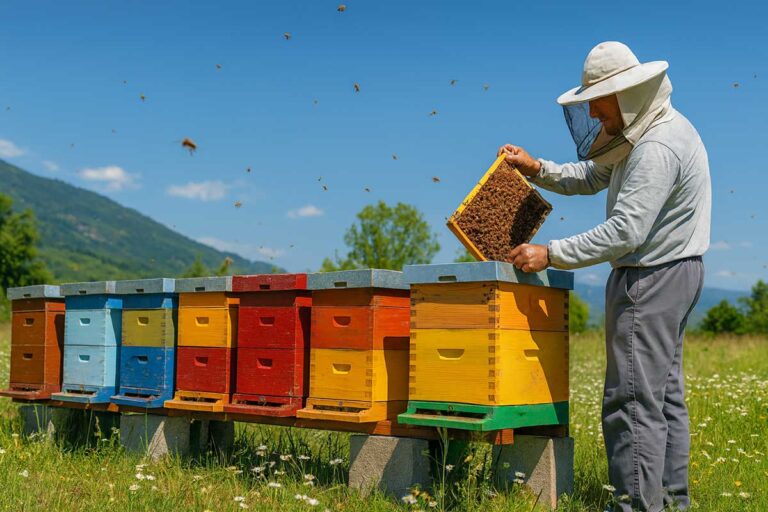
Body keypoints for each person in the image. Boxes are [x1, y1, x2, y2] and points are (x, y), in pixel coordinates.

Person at [499, 41, 711, 512]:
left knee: (632, 402)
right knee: (663, 397)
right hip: (678, 271)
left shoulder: (656, 147)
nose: (593, 112)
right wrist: (538, 169)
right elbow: (594, 175)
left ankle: (636, 506)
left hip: (650, 277)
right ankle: (672, 503)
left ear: (626, 94)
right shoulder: (651, 128)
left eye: (599, 100)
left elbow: (625, 230)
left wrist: (549, 253)